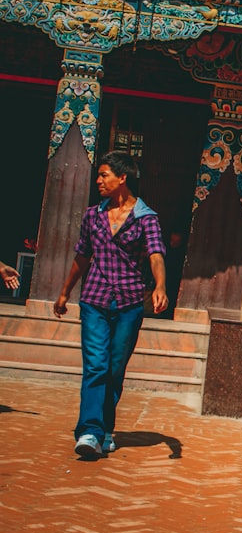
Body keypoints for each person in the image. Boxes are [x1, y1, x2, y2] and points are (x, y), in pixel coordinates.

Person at [53, 151, 168, 458]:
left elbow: (156, 253)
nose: (99, 181)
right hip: (94, 300)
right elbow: (82, 256)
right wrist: (65, 292)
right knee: (95, 365)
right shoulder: (92, 216)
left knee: (115, 368)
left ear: (122, 178)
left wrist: (160, 285)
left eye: (104, 175)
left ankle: (104, 429)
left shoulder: (146, 217)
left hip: (129, 303)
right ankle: (89, 431)